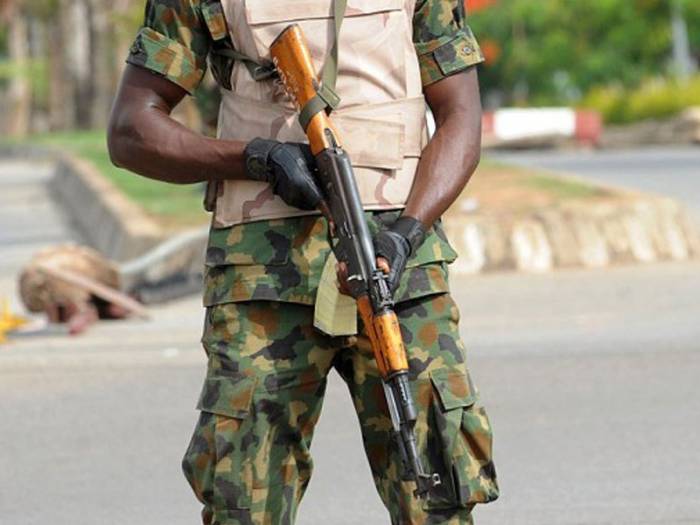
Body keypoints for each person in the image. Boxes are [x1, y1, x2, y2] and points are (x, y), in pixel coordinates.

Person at [108, 1, 499, 523]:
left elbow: (460, 116)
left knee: (436, 485)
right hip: (260, 269)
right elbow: (131, 129)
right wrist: (256, 157)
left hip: (395, 266)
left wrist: (406, 234)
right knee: (243, 498)